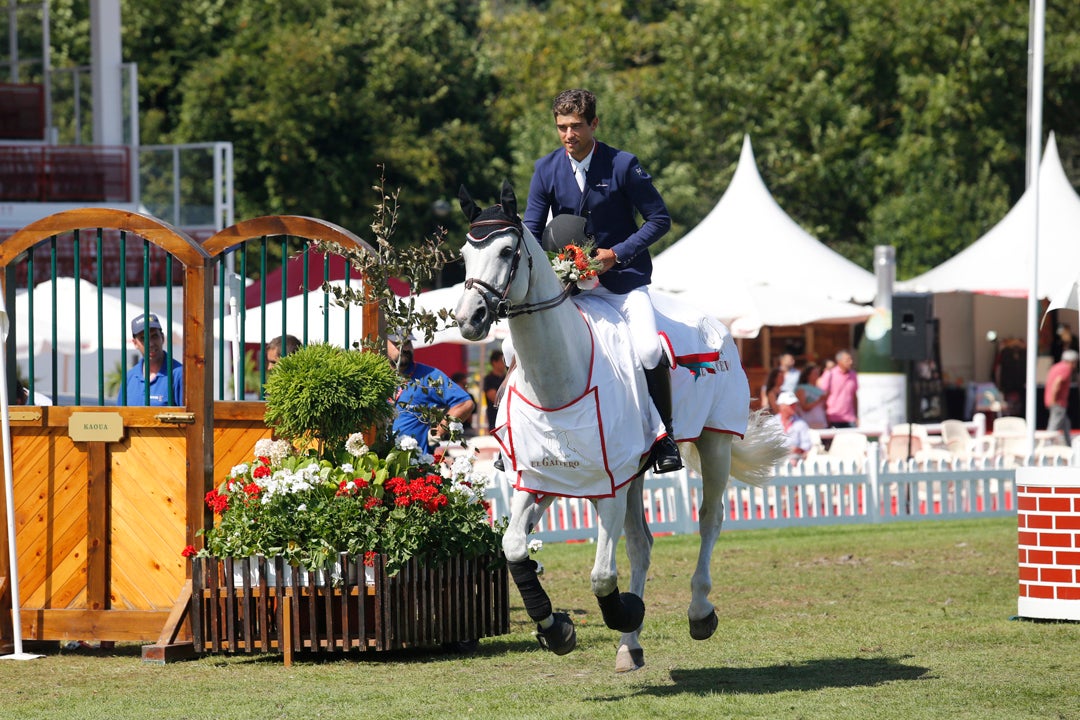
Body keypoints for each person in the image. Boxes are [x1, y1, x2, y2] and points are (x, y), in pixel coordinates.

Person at [522, 88, 680, 473]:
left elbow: (660, 219)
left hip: (624, 285)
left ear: (594, 123)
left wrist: (617, 253)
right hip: (573, 289)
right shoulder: (546, 169)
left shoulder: (623, 165)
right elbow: (530, 226)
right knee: (518, 349)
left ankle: (666, 439)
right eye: (561, 127)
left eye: (576, 126)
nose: (568, 135)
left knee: (646, 351)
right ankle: (517, 430)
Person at [387, 332, 475, 455]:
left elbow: (465, 403)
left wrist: (438, 431)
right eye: (398, 343)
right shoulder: (376, 375)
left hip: (415, 462)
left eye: (408, 343)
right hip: (379, 461)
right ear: (384, 345)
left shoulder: (429, 376)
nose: (405, 348)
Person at [119, 313, 183, 406]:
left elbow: (190, 417)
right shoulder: (129, 377)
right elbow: (119, 417)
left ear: (162, 337)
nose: (151, 343)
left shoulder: (179, 374)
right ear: (135, 343)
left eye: (154, 336)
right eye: (143, 338)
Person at [1044, 349, 1077, 446]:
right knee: (1053, 426)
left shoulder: (1056, 366)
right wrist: (1053, 399)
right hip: (1058, 403)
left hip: (1053, 401)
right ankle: (1046, 447)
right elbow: (1057, 383)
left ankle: (1069, 445)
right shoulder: (1066, 368)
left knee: (1066, 424)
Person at [818, 349, 858, 428]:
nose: (851, 362)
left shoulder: (853, 375)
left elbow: (854, 396)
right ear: (839, 361)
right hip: (833, 417)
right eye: (847, 360)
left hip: (850, 418)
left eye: (851, 359)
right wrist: (825, 416)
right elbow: (823, 396)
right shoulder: (830, 374)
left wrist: (856, 416)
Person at [776, 391, 812, 458]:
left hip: (795, 460)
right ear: (781, 406)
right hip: (775, 462)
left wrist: (797, 450)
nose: (794, 406)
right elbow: (765, 445)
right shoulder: (770, 422)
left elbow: (807, 446)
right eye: (790, 404)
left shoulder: (802, 424)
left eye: (795, 404)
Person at [795, 363, 828, 430]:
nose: (817, 376)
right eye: (815, 373)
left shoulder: (819, 389)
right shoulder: (801, 389)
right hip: (808, 423)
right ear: (808, 375)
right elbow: (804, 407)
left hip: (821, 421)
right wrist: (819, 400)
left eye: (817, 373)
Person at [482, 349, 507, 433]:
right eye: (502, 360)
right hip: (495, 420)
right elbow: (495, 398)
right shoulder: (489, 379)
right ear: (494, 362)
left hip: (509, 419)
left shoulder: (508, 378)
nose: (505, 363)